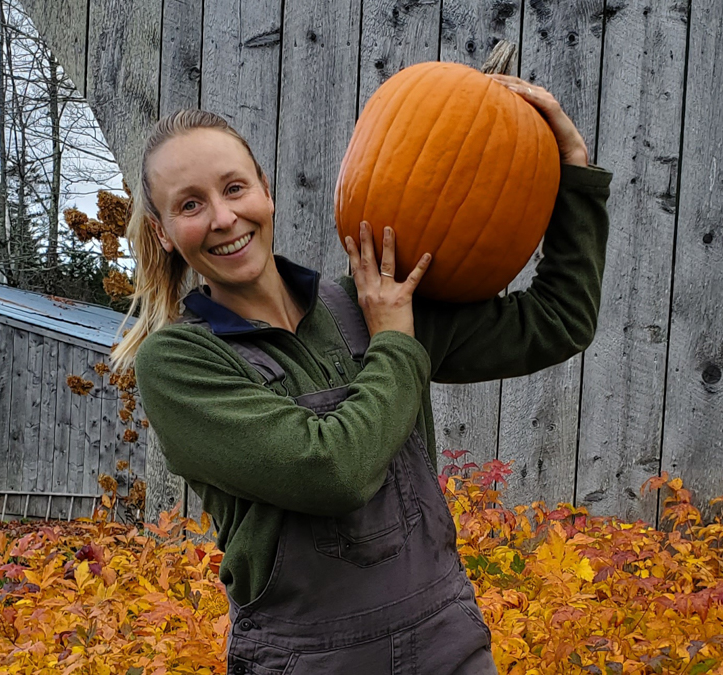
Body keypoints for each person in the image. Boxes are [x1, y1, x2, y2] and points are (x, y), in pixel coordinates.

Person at [113, 73, 611, 674]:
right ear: (164, 233)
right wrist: (396, 340)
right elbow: (333, 470)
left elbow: (561, 321)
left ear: (265, 192)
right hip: (309, 661)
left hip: (446, 645)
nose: (222, 217)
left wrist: (575, 177)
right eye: (190, 204)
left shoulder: (370, 302)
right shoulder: (179, 364)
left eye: (234, 187)